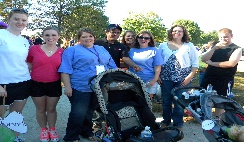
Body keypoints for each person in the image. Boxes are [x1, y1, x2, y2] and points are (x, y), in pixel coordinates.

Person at [58, 28, 117, 142]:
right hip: (80, 86)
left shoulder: (100, 48)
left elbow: (111, 65)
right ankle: (71, 137)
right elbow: (65, 69)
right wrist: (67, 87)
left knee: (89, 112)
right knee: (78, 113)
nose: (87, 38)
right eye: (83, 37)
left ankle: (87, 132)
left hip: (99, 87)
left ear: (94, 37)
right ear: (79, 39)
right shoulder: (72, 50)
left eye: (90, 36)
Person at [27, 26, 64, 142]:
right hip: (36, 83)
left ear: (58, 37)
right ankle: (44, 130)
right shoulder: (34, 49)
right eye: (47, 35)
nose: (50, 37)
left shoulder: (62, 52)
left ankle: (52, 129)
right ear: (43, 36)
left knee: (51, 109)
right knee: (40, 109)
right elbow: (29, 64)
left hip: (54, 84)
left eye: (53, 35)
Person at [158, 25, 199, 129]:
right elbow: (157, 62)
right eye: (174, 31)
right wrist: (157, 76)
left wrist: (189, 77)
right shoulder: (163, 45)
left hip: (183, 79)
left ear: (183, 33)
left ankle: (178, 123)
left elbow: (195, 63)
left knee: (179, 101)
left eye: (180, 31)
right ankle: (166, 121)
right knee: (166, 101)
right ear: (171, 32)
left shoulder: (189, 45)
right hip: (166, 78)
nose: (177, 32)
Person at [0, 8, 31, 142]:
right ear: (9, 20)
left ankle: (14, 138)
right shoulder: (1, 35)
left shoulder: (24, 41)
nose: (20, 22)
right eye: (16, 19)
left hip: (23, 81)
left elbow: (23, 62)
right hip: (3, 83)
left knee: (16, 115)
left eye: (23, 20)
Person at [200, 28, 242, 116]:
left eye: (226, 37)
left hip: (225, 79)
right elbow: (204, 59)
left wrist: (212, 63)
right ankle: (207, 121)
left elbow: (231, 64)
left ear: (231, 36)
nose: (223, 39)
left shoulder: (237, 49)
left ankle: (218, 123)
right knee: (204, 100)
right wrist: (213, 49)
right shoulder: (215, 47)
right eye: (221, 37)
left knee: (220, 104)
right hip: (209, 77)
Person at [128, 30, 163, 99]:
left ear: (150, 40)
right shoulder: (132, 50)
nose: (143, 39)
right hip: (133, 79)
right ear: (137, 39)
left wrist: (155, 79)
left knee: (147, 101)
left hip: (149, 80)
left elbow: (158, 66)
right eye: (140, 37)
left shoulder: (154, 50)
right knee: (134, 100)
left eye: (146, 38)